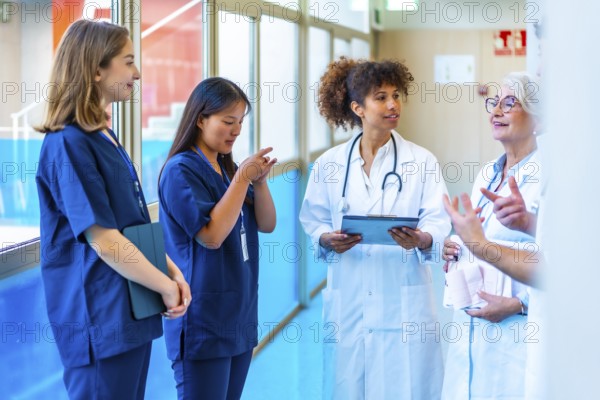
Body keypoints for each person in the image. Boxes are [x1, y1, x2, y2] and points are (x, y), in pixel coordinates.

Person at [35, 19, 190, 399]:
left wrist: (172, 273)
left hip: (130, 311)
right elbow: (103, 239)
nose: (137, 73)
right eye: (129, 61)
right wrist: (166, 286)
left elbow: (130, 224)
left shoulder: (104, 135)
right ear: (96, 68)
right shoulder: (68, 143)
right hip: (100, 321)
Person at [299, 57, 450, 399]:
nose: (393, 104)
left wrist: (423, 238)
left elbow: (438, 220)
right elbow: (313, 219)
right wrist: (326, 238)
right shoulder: (330, 164)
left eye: (396, 95)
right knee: (350, 384)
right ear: (358, 108)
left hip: (403, 296)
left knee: (406, 384)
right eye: (380, 97)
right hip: (350, 295)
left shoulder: (421, 161)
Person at [158, 77, 277, 399]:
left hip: (238, 314)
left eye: (240, 122)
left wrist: (260, 183)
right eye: (228, 121)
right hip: (203, 319)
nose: (236, 130)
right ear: (200, 119)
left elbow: (267, 224)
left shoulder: (227, 170)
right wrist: (242, 179)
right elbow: (211, 237)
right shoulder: (181, 171)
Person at [440, 72, 543, 400]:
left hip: (517, 327)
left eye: (510, 103)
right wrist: (456, 247)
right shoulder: (488, 172)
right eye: (494, 102)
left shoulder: (549, 176)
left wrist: (519, 304)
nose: (496, 111)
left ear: (538, 117)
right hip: (473, 311)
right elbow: (479, 237)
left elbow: (566, 258)